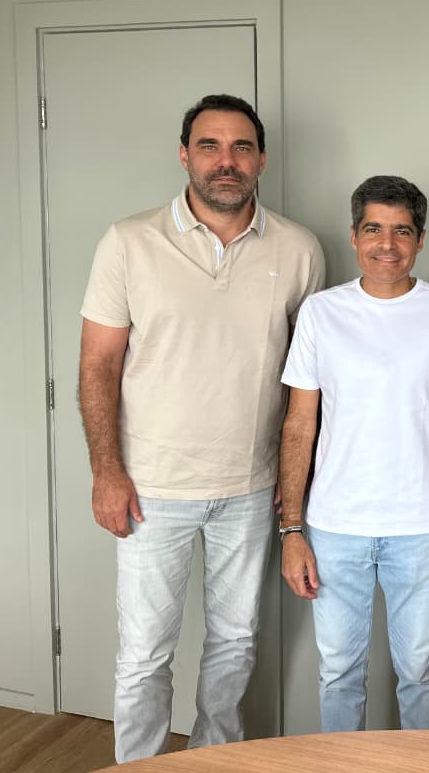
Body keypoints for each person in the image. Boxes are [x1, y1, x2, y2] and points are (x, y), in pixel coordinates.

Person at [78, 93, 324, 761]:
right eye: (210, 146)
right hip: (150, 487)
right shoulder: (129, 241)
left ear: (262, 159)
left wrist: (293, 484)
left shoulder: (299, 249)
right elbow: (98, 365)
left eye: (241, 147)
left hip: (251, 487)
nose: (226, 161)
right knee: (144, 654)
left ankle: (217, 762)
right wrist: (106, 472)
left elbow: (307, 384)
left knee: (235, 644)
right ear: (184, 155)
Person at [278, 175, 429, 732]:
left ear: (421, 240)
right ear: (354, 236)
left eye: (401, 231)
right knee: (338, 673)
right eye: (373, 229)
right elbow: (299, 424)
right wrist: (291, 530)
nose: (386, 244)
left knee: (419, 671)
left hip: (422, 529)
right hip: (334, 527)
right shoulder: (321, 313)